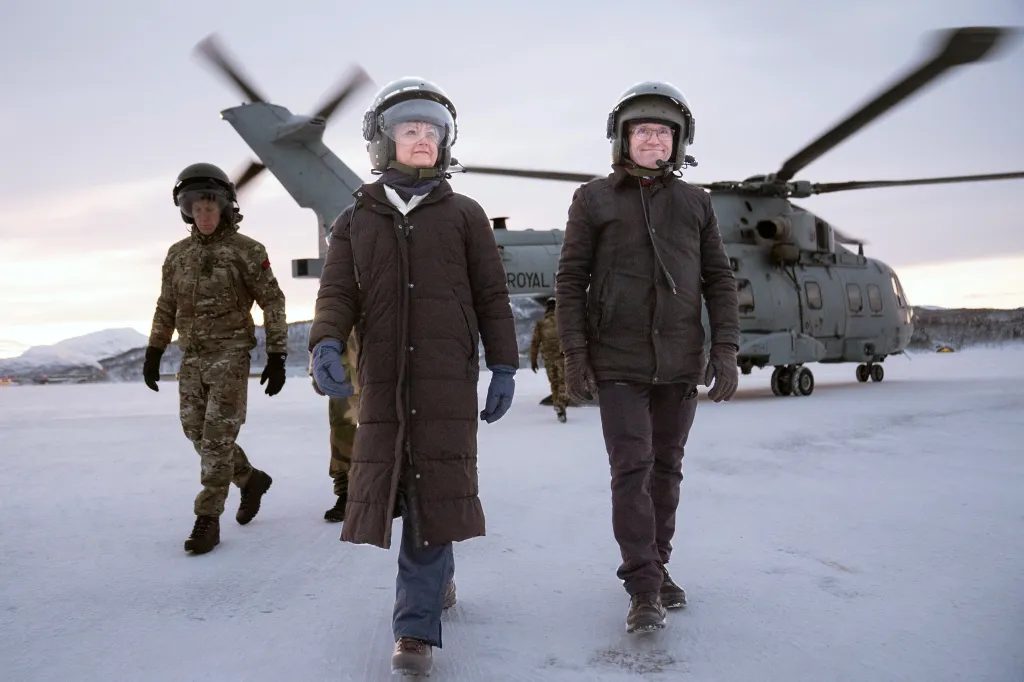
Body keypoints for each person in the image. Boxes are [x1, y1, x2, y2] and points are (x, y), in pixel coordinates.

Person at [307, 77, 520, 676]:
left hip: (447, 377)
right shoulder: (355, 219)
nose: (422, 139)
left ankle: (413, 628)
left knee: (435, 485)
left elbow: (491, 295)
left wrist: (504, 362)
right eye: (409, 130)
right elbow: (337, 291)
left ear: (445, 143)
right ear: (383, 143)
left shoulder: (466, 215)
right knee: (406, 486)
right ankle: (437, 586)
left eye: (432, 131)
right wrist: (325, 339)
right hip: (385, 378)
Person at [555, 82, 740, 633]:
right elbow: (570, 281)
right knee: (631, 469)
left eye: (663, 132)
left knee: (667, 469)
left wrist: (725, 349)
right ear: (622, 140)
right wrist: (574, 354)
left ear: (678, 143)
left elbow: (719, 280)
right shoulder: (593, 199)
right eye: (643, 131)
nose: (653, 139)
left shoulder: (696, 203)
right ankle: (642, 586)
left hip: (679, 360)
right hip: (616, 360)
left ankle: (656, 565)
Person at [144, 162, 288, 555]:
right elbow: (166, 305)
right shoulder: (177, 255)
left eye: (211, 207)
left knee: (216, 440)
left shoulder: (247, 250)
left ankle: (208, 519)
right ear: (186, 209)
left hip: (230, 355)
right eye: (196, 207)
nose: (204, 215)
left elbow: (272, 301)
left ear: (225, 207)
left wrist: (276, 354)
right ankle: (250, 479)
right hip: (190, 357)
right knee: (196, 433)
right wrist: (154, 350)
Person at [318, 330, 360, 523]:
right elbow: (326, 321)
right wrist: (317, 366)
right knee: (342, 430)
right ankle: (346, 493)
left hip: (389, 359)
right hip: (344, 370)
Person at [529, 297, 568, 422]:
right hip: (562, 357)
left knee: (554, 383)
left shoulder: (541, 323)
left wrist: (533, 360)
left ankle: (558, 407)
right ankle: (560, 404)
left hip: (548, 359)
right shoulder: (563, 321)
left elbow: (535, 343)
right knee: (564, 382)